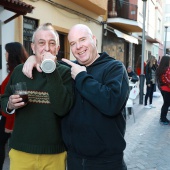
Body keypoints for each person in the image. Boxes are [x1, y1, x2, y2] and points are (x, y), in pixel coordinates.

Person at [22, 24, 129, 170]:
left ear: (93, 39)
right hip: (74, 160)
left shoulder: (114, 68)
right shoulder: (67, 68)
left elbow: (111, 104)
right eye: (73, 43)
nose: (78, 46)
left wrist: (81, 76)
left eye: (82, 39)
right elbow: (47, 63)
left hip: (106, 163)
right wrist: (33, 58)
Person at [1, 24, 73, 170]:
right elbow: (4, 98)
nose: (46, 48)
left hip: (54, 153)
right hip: (21, 151)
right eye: (41, 43)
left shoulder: (65, 73)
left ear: (57, 49)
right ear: (33, 47)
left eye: (52, 43)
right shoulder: (19, 71)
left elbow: (62, 108)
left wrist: (51, 70)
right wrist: (9, 105)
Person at [0, 42, 28, 170]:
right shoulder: (13, 70)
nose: (5, 54)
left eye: (6, 51)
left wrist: (8, 125)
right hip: (7, 113)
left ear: (12, 54)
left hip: (11, 116)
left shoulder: (18, 71)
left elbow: (17, 97)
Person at [156, 55, 170, 125]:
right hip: (167, 89)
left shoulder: (160, 68)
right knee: (166, 104)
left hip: (162, 88)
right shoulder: (167, 69)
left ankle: (163, 118)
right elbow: (168, 80)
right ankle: (163, 118)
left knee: (166, 103)